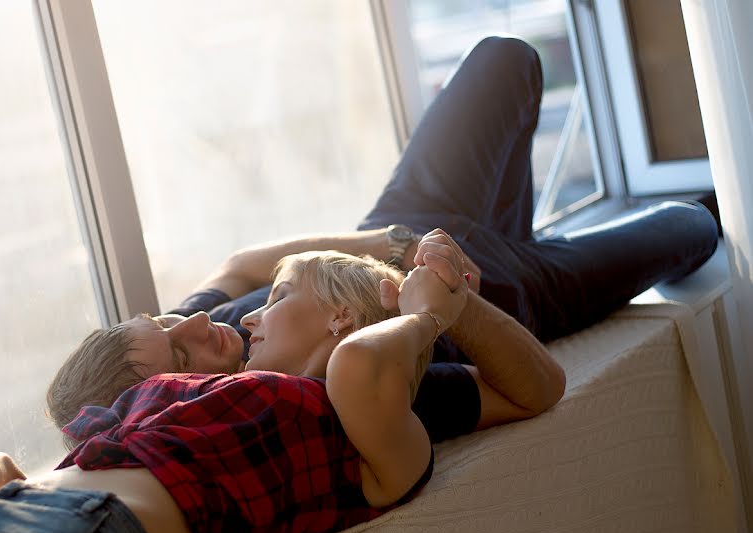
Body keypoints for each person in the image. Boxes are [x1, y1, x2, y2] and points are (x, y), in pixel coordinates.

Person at [39, 35, 717, 445]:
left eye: (163, 320)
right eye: (181, 347)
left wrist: (394, 242)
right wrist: (453, 304)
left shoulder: (206, 325)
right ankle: (546, 242)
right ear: (180, 398)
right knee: (695, 225)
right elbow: (530, 385)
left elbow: (242, 262)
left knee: (507, 58)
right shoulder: (331, 397)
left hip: (411, 216)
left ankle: (518, 228)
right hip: (509, 292)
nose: (196, 321)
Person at [0, 242, 564, 533]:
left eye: (279, 296)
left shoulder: (366, 437)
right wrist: (25, 477)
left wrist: (437, 312)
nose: (248, 314)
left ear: (343, 318)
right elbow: (111, 446)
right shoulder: (202, 387)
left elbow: (539, 386)